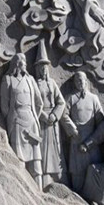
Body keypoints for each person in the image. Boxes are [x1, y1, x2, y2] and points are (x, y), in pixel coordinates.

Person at [1, 53, 44, 190]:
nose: (24, 64)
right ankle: (22, 191)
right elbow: (4, 105)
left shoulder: (30, 80)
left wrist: (34, 117)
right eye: (21, 62)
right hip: (17, 122)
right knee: (19, 160)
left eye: (25, 62)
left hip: (31, 122)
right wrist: (12, 118)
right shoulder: (8, 80)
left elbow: (39, 103)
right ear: (16, 64)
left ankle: (39, 192)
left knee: (36, 161)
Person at [60, 71, 104, 191]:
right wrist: (72, 130)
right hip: (77, 136)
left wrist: (100, 135)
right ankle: (77, 193)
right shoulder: (70, 97)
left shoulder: (94, 98)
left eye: (81, 80)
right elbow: (63, 115)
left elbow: (100, 118)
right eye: (76, 80)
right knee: (77, 169)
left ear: (86, 81)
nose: (79, 82)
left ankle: (92, 193)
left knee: (93, 166)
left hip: (91, 137)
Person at [34, 42, 67, 187]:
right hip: (42, 120)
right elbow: (33, 103)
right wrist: (43, 115)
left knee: (56, 149)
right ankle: (46, 178)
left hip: (53, 120)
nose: (43, 69)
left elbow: (61, 102)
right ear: (37, 68)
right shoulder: (35, 84)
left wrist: (54, 115)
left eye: (45, 67)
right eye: (41, 67)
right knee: (43, 148)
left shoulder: (52, 83)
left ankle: (58, 177)